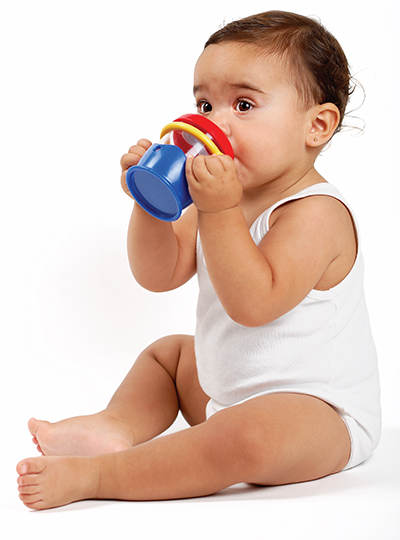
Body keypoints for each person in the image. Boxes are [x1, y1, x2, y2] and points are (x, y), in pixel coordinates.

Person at [17, 10, 381, 510]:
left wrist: (220, 209)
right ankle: (115, 426)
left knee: (245, 438)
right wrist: (150, 204)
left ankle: (99, 475)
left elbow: (253, 304)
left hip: (318, 414)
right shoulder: (219, 194)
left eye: (244, 103)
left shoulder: (316, 213)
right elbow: (158, 274)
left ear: (316, 125)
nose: (213, 121)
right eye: (205, 102)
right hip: (222, 392)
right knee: (168, 355)